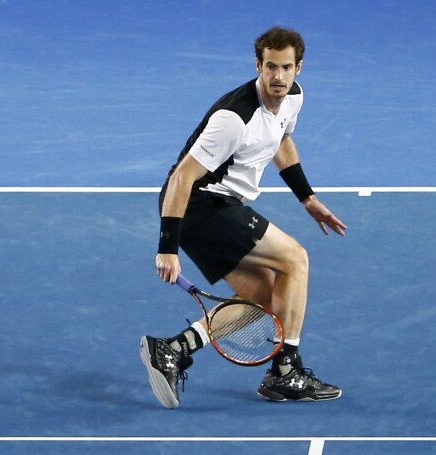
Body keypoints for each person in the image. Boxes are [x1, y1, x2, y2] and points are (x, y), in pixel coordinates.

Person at [141, 26, 346, 407]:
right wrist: (168, 247)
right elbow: (183, 177)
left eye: (286, 68)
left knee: (262, 295)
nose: (278, 77)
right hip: (199, 205)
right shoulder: (234, 118)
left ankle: (171, 350)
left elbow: (281, 140)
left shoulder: (293, 100)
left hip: (221, 206)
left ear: (299, 68)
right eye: (271, 67)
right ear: (258, 65)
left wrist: (307, 197)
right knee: (295, 259)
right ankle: (286, 370)